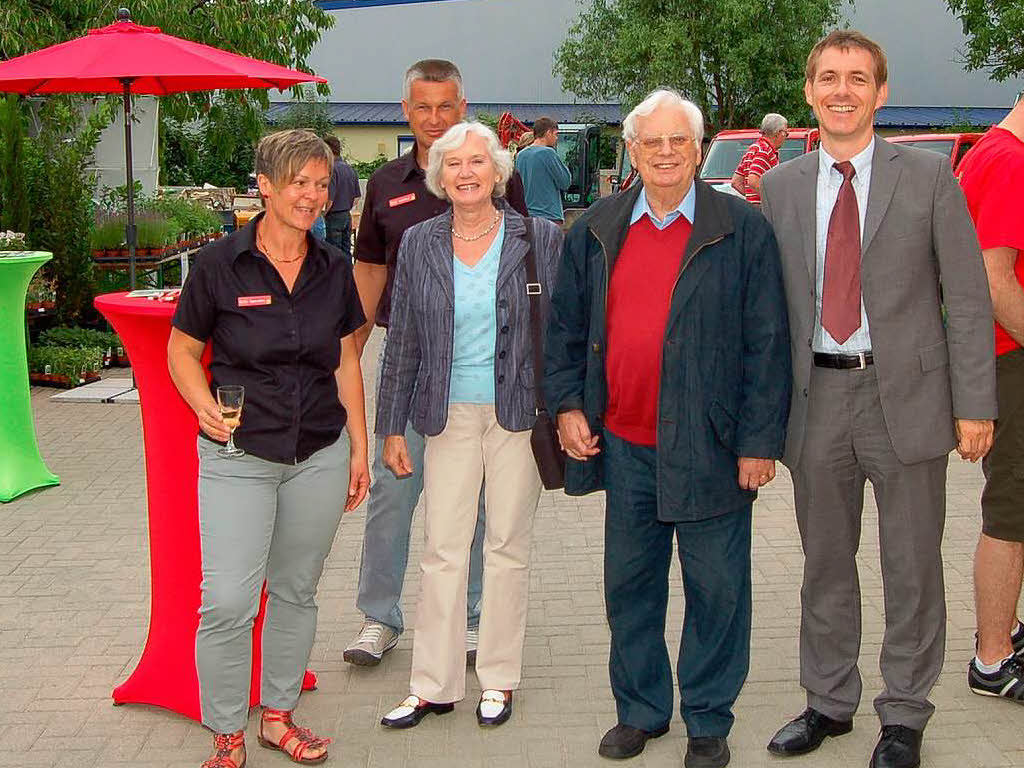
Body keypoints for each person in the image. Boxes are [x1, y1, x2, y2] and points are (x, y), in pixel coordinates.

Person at [759, 30, 996, 768]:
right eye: (828, 77)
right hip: (817, 400)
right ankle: (829, 701)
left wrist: (976, 404)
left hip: (911, 401)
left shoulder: (929, 178)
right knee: (825, 563)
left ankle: (904, 713)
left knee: (913, 566)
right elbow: (768, 310)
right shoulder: (781, 189)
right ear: (809, 92)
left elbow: (966, 293)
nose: (841, 90)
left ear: (881, 92)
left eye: (857, 78)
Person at [544, 88, 791, 768]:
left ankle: (708, 719)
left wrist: (759, 442)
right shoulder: (596, 228)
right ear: (631, 151)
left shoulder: (741, 229)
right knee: (630, 587)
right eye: (651, 142)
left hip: (712, 446)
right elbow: (564, 330)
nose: (664, 153)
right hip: (624, 444)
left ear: (700, 148)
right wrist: (567, 406)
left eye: (678, 141)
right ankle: (642, 711)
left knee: (719, 590)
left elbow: (768, 344)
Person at [167, 129, 370, 768]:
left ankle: (278, 717)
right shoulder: (219, 264)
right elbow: (181, 350)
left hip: (317, 453)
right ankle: (226, 729)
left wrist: (359, 448)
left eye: (321, 183)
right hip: (239, 457)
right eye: (299, 183)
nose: (312, 196)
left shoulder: (334, 267)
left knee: (295, 591)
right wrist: (202, 404)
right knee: (228, 597)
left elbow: (345, 360)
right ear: (266, 186)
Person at [376, 121, 561, 729]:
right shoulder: (420, 243)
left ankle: (500, 679)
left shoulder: (540, 238)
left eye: (477, 162)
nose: (465, 173)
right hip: (445, 414)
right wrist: (392, 427)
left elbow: (563, 332)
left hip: (517, 416)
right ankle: (433, 683)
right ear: (438, 176)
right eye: (453, 164)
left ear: (498, 171)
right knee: (442, 549)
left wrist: (570, 410)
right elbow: (401, 338)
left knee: (508, 546)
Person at [346, 59, 528, 667]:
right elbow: (371, 270)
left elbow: (525, 264)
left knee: (473, 502)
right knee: (393, 493)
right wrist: (350, 344)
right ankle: (379, 617)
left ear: (462, 105)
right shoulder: (384, 184)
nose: (433, 119)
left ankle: (475, 617)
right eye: (421, 108)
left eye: (444, 107)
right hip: (410, 367)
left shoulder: (493, 172)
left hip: (483, 372)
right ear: (405, 111)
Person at [957, 98, 1024, 702]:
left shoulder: (994, 153)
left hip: (1006, 358)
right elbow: (994, 280)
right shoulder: (1008, 162)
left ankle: (1006, 634)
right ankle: (992, 657)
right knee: (1012, 512)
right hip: (1013, 359)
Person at [515, 116, 571, 223]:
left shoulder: (520, 156)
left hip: (526, 216)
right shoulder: (548, 153)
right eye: (556, 134)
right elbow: (565, 182)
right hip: (548, 215)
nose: (557, 138)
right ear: (548, 133)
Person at [729, 113, 788, 204]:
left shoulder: (753, 149)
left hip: (754, 209)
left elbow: (736, 182)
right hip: (763, 210)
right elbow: (753, 180)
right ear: (777, 133)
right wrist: (770, 200)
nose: (786, 137)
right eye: (785, 133)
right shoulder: (765, 151)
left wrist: (751, 198)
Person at [323, 134, 360, 260]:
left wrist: (322, 215)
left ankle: (336, 279)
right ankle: (347, 278)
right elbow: (356, 198)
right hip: (347, 216)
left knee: (333, 254)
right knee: (346, 253)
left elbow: (330, 200)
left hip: (333, 217)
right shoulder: (350, 169)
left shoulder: (332, 170)